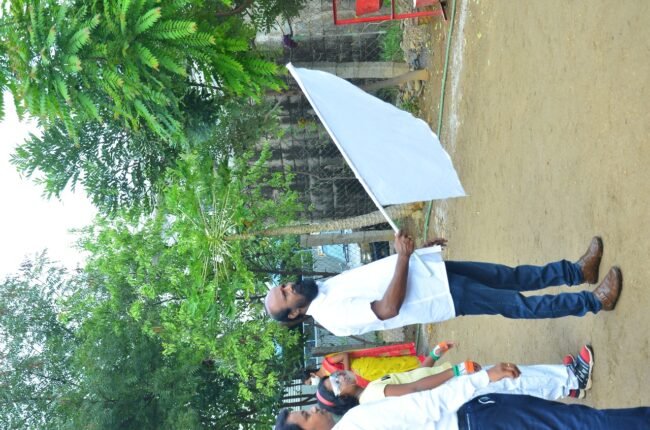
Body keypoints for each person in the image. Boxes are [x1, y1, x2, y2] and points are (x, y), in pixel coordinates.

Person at [265, 232, 622, 336]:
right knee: (518, 304)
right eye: (285, 295)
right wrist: (403, 258)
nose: (289, 287)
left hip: (432, 272)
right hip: (442, 295)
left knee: (510, 275)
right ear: (294, 314)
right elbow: (387, 309)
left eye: (284, 286)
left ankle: (577, 273)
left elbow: (380, 278)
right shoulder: (333, 317)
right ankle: (594, 302)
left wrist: (415, 253)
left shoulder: (324, 289)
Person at [275, 363, 650, 430]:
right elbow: (424, 404)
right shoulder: (358, 421)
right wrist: (481, 378)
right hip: (474, 420)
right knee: (579, 422)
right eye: (306, 416)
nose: (314, 410)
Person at [315, 344, 595, 417]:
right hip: (455, 390)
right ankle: (574, 377)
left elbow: (416, 375)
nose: (339, 376)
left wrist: (434, 354)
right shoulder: (372, 396)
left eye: (334, 376)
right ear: (343, 398)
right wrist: (457, 372)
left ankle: (565, 384)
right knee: (511, 380)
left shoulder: (371, 388)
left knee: (512, 384)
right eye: (336, 384)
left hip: (452, 388)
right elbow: (415, 389)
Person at [303, 342, 440, 387]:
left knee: (392, 365)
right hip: (363, 378)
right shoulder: (328, 381)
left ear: (312, 374)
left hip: (363, 366)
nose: (312, 384)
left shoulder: (327, 363)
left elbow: (345, 355)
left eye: (310, 382)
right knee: (392, 376)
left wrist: (346, 373)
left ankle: (423, 361)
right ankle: (423, 371)